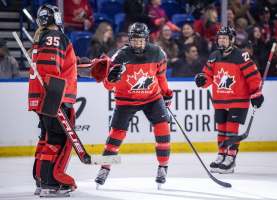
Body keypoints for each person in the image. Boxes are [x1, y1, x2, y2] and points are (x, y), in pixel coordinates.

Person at [94, 23, 173, 189]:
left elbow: (161, 77)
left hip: (152, 97)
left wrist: (166, 93)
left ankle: (163, 167)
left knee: (163, 128)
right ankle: (104, 168)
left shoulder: (157, 53)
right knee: (116, 134)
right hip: (125, 99)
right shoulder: (119, 56)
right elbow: (107, 86)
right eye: (135, 41)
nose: (137, 44)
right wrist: (111, 78)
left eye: (140, 40)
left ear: (146, 40)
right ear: (130, 40)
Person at [195, 26, 264, 174]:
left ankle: (231, 158)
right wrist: (202, 80)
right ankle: (221, 154)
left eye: (225, 38)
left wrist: (255, 92)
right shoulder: (214, 55)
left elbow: (253, 75)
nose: (221, 40)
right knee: (221, 129)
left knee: (232, 129)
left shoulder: (241, 55)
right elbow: (208, 76)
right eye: (220, 38)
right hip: (220, 99)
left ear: (232, 40)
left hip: (238, 99)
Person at [28, 4, 78, 197]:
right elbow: (50, 69)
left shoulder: (44, 37)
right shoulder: (55, 37)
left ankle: (41, 180)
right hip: (54, 95)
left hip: (46, 95)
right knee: (57, 139)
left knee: (47, 138)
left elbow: (58, 64)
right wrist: (54, 97)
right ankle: (51, 183)